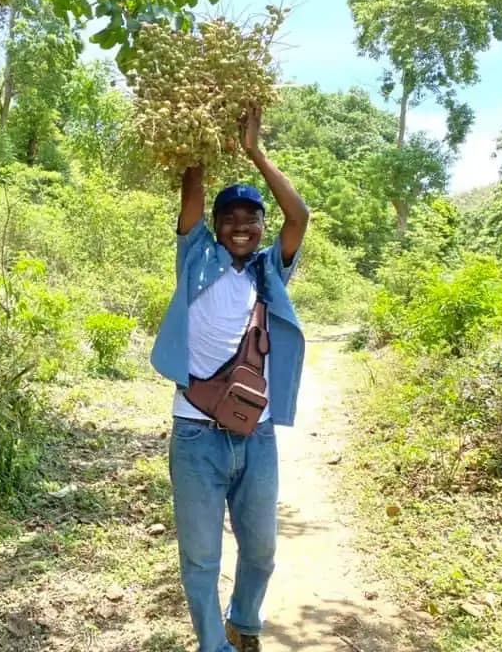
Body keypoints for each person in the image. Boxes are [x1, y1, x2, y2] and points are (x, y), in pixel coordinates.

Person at [150, 105, 309, 652]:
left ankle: (244, 621)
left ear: (261, 227)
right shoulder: (196, 258)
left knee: (261, 550)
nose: (241, 226)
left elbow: (300, 217)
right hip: (195, 434)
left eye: (251, 218)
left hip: (256, 434)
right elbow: (189, 204)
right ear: (216, 228)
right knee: (200, 556)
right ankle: (213, 645)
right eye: (230, 218)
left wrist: (254, 152)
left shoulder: (270, 269)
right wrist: (194, 129)